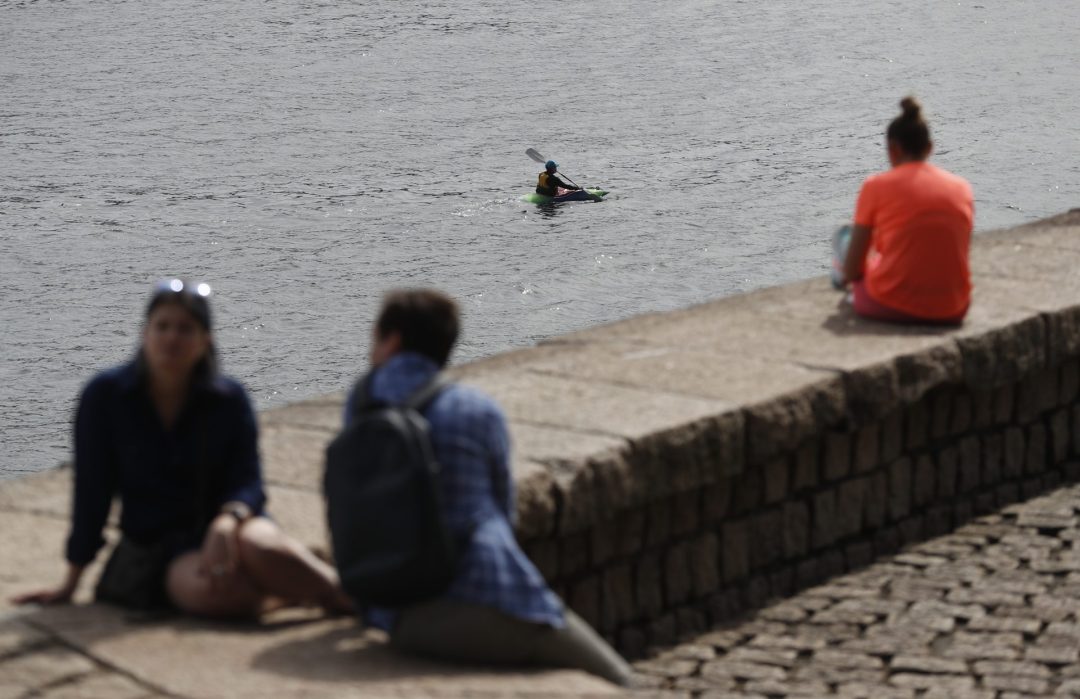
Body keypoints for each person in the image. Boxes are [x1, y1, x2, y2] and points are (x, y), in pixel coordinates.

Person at [344, 289, 632, 686]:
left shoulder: (360, 404)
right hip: (480, 598)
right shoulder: (475, 409)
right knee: (617, 679)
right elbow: (503, 513)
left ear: (391, 340)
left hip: (392, 609)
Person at [13, 279, 351, 618]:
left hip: (234, 522)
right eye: (162, 326)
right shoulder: (105, 398)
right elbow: (91, 492)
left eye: (185, 329)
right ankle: (292, 588)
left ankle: (348, 596)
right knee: (221, 595)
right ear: (145, 334)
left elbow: (248, 480)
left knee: (260, 545)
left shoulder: (228, 399)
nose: (172, 338)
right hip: (161, 547)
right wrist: (71, 580)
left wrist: (227, 520)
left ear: (206, 341)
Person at [838, 96, 974, 324]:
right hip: (954, 307)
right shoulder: (962, 187)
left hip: (893, 305)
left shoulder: (875, 186)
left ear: (892, 150)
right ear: (930, 148)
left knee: (847, 250)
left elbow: (853, 271)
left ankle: (838, 265)